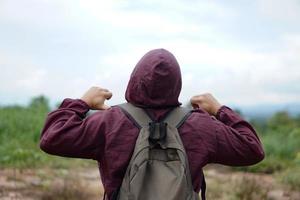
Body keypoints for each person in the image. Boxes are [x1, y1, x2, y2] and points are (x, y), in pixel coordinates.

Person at [40, 49, 265, 200]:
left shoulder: (110, 121)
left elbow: (52, 138)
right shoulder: (201, 126)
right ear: (176, 84)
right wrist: (219, 109)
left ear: (134, 80)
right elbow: (252, 149)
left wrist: (81, 103)